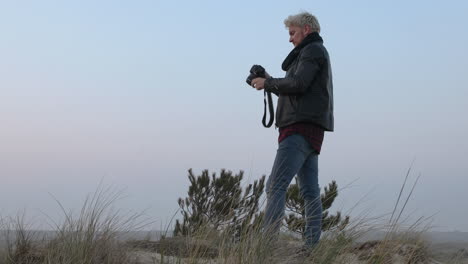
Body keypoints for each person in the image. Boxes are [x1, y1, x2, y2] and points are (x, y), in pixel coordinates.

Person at [250, 11, 334, 249]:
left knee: (275, 185)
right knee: (309, 191)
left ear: (306, 29)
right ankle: (311, 248)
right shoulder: (311, 53)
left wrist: (268, 83)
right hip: (310, 130)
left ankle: (266, 247)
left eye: (292, 33)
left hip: (298, 130)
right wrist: (268, 79)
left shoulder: (312, 50)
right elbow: (297, 89)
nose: (290, 39)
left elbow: (298, 84)